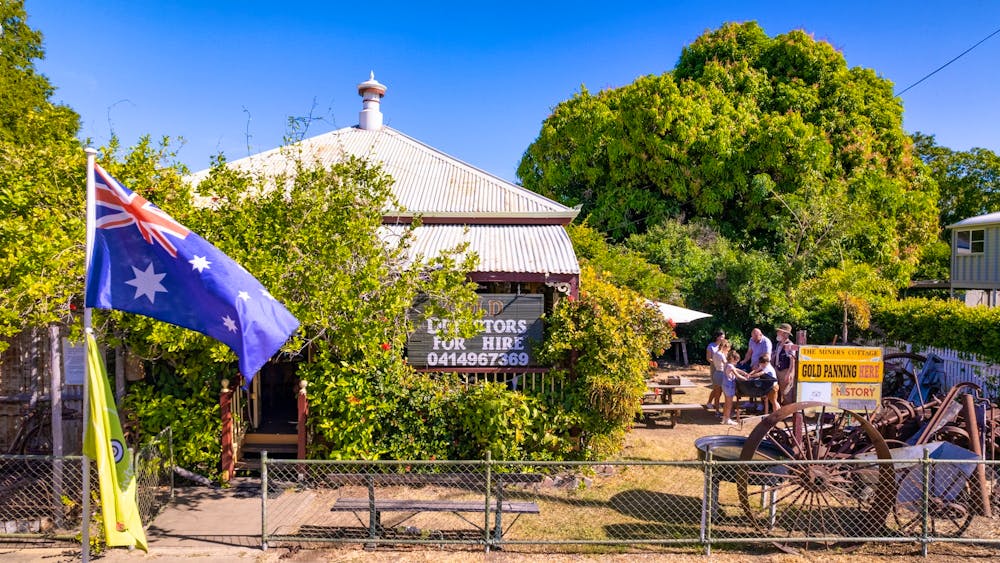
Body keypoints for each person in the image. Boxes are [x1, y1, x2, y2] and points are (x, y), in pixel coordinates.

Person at [721, 348, 749, 426]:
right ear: (733, 359)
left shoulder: (727, 364)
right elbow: (737, 375)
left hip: (725, 385)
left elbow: (736, 369)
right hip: (729, 386)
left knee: (726, 403)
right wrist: (746, 379)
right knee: (729, 404)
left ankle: (724, 418)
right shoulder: (730, 366)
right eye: (736, 361)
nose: (736, 363)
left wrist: (743, 372)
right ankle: (727, 419)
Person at [772, 323, 797, 405]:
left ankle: (788, 413)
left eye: (779, 331)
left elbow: (792, 360)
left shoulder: (790, 345)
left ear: (785, 334)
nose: (777, 333)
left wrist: (789, 373)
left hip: (785, 371)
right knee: (777, 391)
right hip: (777, 370)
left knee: (786, 393)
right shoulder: (778, 344)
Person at [705, 337, 728, 415]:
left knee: (717, 393)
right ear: (724, 347)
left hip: (716, 373)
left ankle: (717, 411)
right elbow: (726, 364)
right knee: (724, 394)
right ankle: (723, 411)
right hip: (721, 374)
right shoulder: (722, 355)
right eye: (727, 348)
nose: (728, 350)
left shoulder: (715, 354)